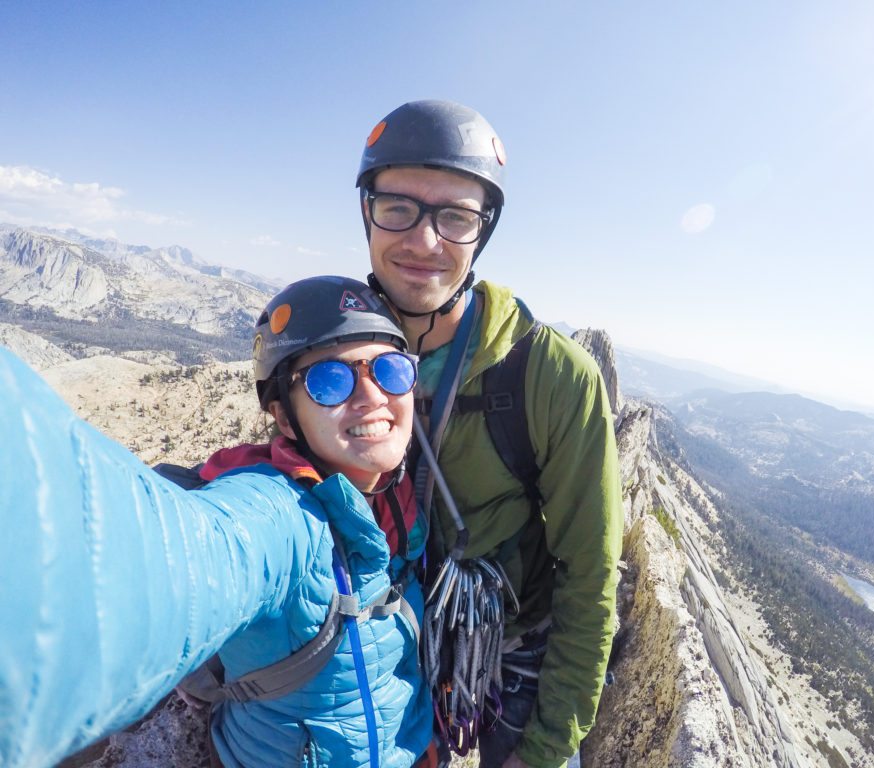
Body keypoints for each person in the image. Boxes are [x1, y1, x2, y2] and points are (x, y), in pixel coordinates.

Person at [0, 276, 433, 768]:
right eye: (330, 380)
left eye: (392, 370)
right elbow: (178, 561)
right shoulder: (280, 513)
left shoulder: (399, 494)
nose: (373, 395)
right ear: (286, 419)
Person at [355, 100, 624, 768]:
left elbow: (588, 580)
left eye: (455, 216)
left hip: (514, 658)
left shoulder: (553, 378)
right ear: (368, 211)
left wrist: (546, 750)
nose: (424, 241)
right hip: (397, 642)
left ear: (483, 232)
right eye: (398, 207)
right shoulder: (335, 358)